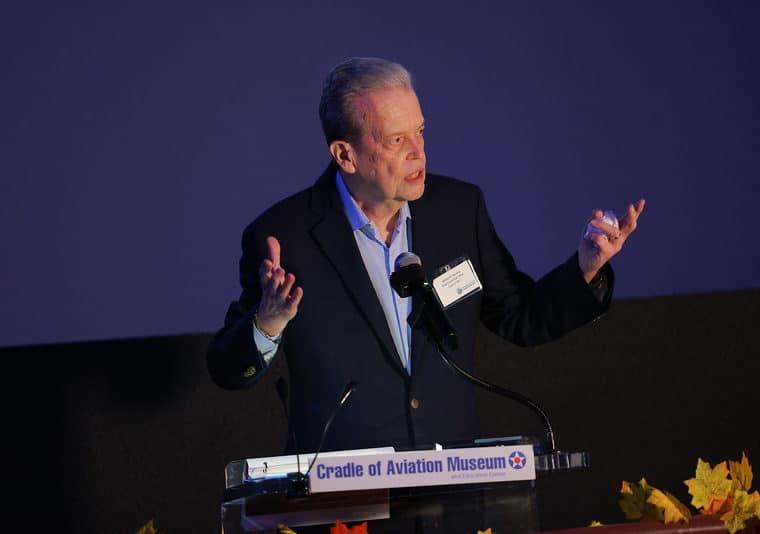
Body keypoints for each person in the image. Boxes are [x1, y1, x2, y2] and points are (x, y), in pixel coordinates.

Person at [207, 57, 645, 453]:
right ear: (345, 155)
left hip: (453, 481)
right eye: (396, 139)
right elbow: (227, 369)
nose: (418, 152)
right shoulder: (286, 236)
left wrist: (586, 268)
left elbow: (520, 316)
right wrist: (267, 324)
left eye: (420, 132)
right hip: (348, 492)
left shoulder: (458, 211)